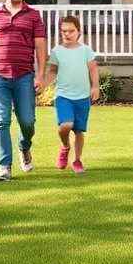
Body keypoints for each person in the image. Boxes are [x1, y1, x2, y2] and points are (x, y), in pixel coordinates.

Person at [0, 0, 47, 182]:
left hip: (24, 76)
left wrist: (41, 75)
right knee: (2, 122)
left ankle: (24, 146)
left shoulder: (33, 15)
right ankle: (4, 167)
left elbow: (40, 46)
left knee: (27, 121)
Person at [45, 14, 100, 174]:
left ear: (78, 32)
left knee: (78, 130)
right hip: (63, 96)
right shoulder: (57, 52)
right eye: (63, 31)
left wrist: (95, 87)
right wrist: (42, 82)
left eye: (71, 31)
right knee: (65, 125)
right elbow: (52, 71)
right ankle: (64, 146)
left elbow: (93, 69)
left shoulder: (85, 50)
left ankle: (77, 160)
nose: (67, 34)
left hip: (82, 96)